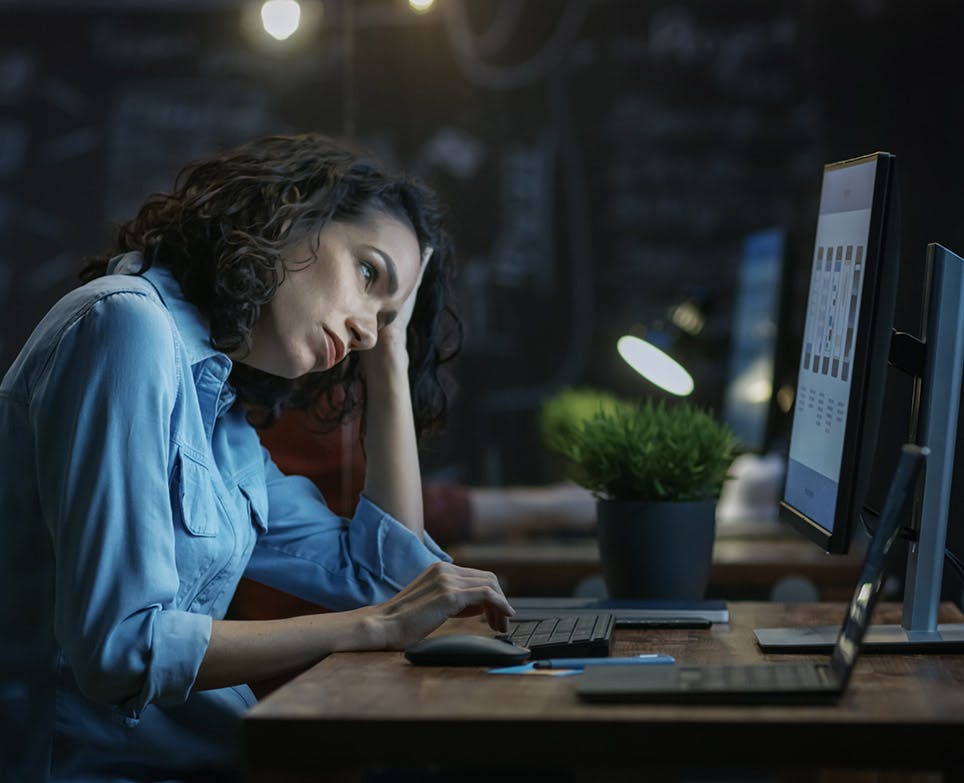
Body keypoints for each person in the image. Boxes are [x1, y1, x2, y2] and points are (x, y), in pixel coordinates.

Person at [0, 133, 514, 782]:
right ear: (293, 213)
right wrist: (375, 626)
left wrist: (392, 359)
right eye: (367, 272)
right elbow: (119, 651)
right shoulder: (125, 327)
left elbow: (381, 576)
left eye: (385, 315)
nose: (364, 327)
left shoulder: (223, 417)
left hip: (214, 759)